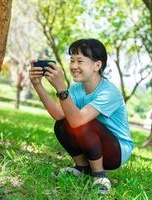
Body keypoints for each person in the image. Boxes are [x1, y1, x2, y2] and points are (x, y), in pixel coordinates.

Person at [29, 38, 134, 195]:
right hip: (94, 142)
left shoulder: (109, 92)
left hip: (116, 151)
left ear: (97, 65)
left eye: (80, 61)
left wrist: (61, 88)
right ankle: (82, 168)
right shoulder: (78, 88)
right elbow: (59, 114)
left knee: (82, 123)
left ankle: (99, 176)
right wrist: (38, 85)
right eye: (72, 60)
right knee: (61, 124)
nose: (73, 66)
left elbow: (78, 120)